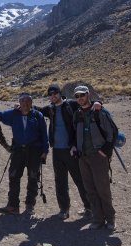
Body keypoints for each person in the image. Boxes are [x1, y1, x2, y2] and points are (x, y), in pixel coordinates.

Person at [33, 83, 101, 220]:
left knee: (80, 180)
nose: (53, 96)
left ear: (59, 93)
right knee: (60, 181)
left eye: (55, 93)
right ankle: (64, 209)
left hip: (71, 150)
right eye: (50, 95)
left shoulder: (71, 104)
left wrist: (98, 102)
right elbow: (36, 110)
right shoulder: (50, 109)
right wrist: (22, 104)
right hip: (57, 151)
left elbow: (89, 103)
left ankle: (90, 208)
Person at [0, 92, 49, 216]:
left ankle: (29, 205)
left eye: (28, 101)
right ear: (19, 103)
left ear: (31, 103)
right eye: (23, 101)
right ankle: (13, 206)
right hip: (18, 150)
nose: (25, 104)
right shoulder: (13, 114)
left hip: (34, 150)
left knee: (33, 177)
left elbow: (44, 134)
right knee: (13, 176)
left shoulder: (37, 115)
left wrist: (45, 151)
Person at [72, 85, 116, 230]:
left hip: (98, 156)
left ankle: (110, 219)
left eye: (82, 95)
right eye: (77, 96)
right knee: (90, 189)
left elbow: (112, 132)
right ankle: (97, 219)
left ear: (88, 94)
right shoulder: (77, 113)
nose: (80, 99)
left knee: (102, 189)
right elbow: (74, 133)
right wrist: (75, 146)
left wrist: (105, 151)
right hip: (83, 157)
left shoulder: (99, 112)